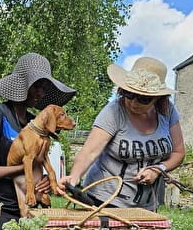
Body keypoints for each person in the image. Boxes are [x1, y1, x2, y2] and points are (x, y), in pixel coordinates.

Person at [0, 52, 76, 230]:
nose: (41, 93)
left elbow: (37, 166)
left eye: (44, 88)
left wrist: (42, 180)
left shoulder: (36, 124)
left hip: (25, 207)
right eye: (36, 86)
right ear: (21, 85)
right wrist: (22, 168)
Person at [58, 56, 185, 212]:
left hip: (146, 206)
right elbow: (89, 152)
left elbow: (178, 153)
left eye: (143, 99)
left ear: (158, 98)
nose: (133, 103)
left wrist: (158, 169)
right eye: (128, 94)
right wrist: (74, 177)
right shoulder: (113, 112)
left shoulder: (168, 111)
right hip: (103, 201)